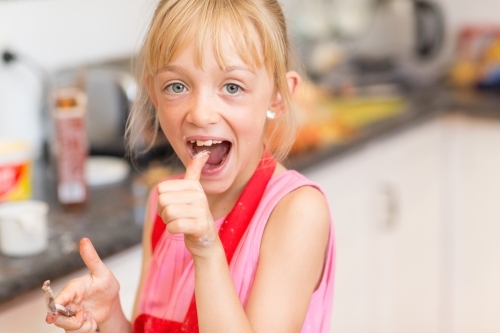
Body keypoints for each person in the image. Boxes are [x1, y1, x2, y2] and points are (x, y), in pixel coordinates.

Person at [47, 0, 335, 332]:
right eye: (177, 86)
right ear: (154, 96)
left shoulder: (297, 211)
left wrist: (206, 249)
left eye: (232, 87)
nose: (200, 114)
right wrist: (109, 317)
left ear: (278, 98)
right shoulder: (162, 203)